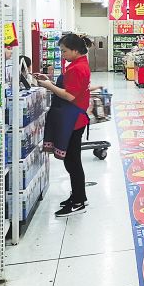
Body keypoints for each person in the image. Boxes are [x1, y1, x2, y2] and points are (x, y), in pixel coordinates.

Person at [35, 33, 92, 217]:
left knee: (73, 162)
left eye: (64, 51)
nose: (62, 54)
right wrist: (49, 81)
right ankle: (78, 196)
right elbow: (70, 88)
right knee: (72, 161)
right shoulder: (77, 64)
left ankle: (78, 202)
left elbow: (70, 95)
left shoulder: (78, 68)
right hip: (73, 117)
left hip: (73, 120)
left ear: (75, 50)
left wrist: (49, 86)